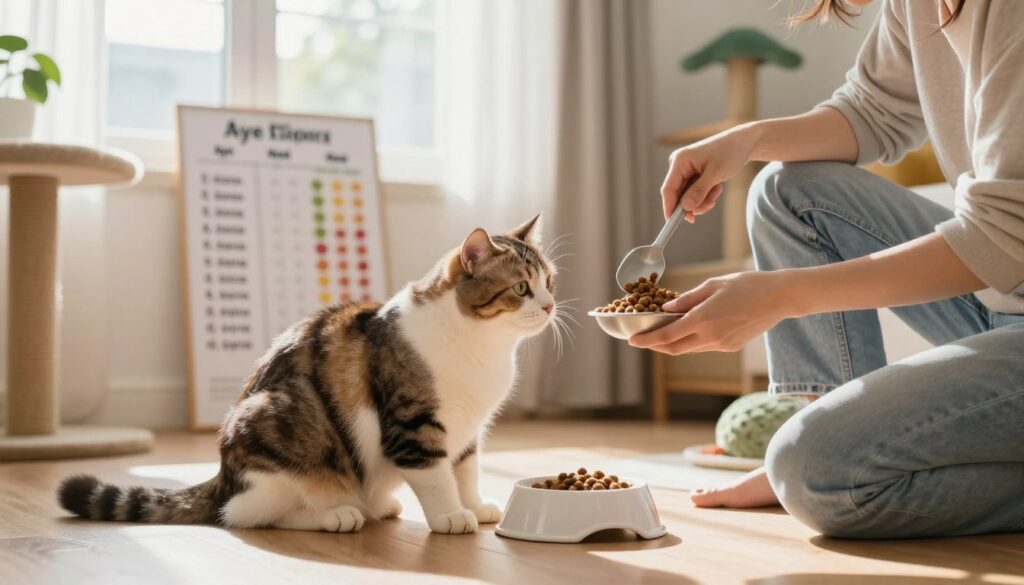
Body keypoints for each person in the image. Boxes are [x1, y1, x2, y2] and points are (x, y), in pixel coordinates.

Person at [630, 0, 1024, 538]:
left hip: (1008, 275)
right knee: (786, 189)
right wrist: (748, 139)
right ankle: (818, 426)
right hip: (1004, 304)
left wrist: (778, 295)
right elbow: (871, 112)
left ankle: (816, 460)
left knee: (815, 474)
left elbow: (1002, 240)